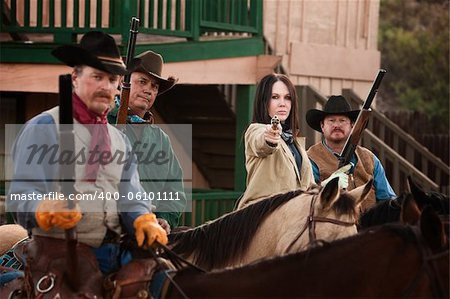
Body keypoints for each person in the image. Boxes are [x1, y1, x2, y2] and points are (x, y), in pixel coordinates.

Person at [6, 31, 168, 276]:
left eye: (112, 79)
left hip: (115, 252)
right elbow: (20, 196)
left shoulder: (119, 140)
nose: (105, 86)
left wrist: (142, 218)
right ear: (75, 78)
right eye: (97, 76)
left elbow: (131, 194)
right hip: (59, 254)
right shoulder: (44, 128)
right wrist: (44, 209)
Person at [108, 50, 186, 232]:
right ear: (122, 82)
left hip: (150, 230)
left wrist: (164, 219)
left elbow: (174, 190)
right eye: (142, 82)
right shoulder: (102, 125)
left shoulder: (161, 139)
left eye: (154, 86)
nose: (148, 90)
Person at [236, 73, 315, 209]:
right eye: (275, 97)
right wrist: (270, 137)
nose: (282, 103)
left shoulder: (295, 142)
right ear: (263, 101)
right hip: (262, 217)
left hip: (294, 217)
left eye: (287, 98)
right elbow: (261, 142)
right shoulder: (255, 130)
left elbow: (308, 187)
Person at [306, 95, 396, 211]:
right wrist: (325, 185)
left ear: (352, 125)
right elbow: (307, 198)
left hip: (370, 227)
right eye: (331, 120)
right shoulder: (311, 158)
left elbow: (387, 199)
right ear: (322, 126)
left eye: (342, 120)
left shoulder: (370, 159)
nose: (337, 125)